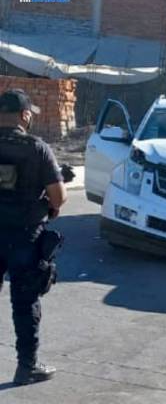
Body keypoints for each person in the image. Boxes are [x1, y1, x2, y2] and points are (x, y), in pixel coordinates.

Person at [0, 89, 67, 385]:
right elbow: (59, 197)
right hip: (23, 235)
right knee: (25, 302)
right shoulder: (36, 147)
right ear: (25, 115)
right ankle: (27, 367)